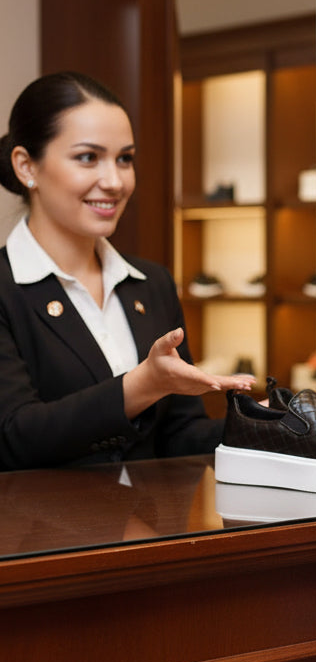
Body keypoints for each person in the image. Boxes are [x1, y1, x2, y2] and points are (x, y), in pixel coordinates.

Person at [0, 72, 253, 470]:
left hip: (149, 530)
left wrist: (260, 424)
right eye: (88, 157)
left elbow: (179, 437)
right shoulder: (5, 289)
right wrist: (142, 385)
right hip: (38, 531)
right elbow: (14, 437)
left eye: (125, 159)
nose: (115, 181)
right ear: (26, 166)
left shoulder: (151, 283)